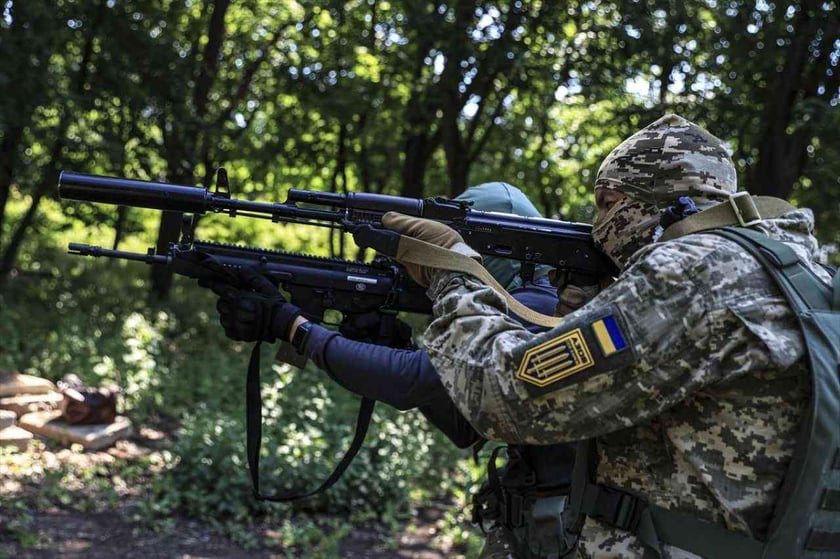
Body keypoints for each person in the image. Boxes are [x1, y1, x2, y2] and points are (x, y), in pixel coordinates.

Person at [375, 114, 835, 558]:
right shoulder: (801, 269)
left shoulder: (686, 274)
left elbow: (505, 397)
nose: (598, 224)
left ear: (628, 199)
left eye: (604, 203)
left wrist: (452, 271)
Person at [208, 182, 581, 558]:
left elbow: (411, 380)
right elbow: (463, 427)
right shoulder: (523, 307)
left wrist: (294, 328)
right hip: (541, 530)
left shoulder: (540, 310)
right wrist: (391, 343)